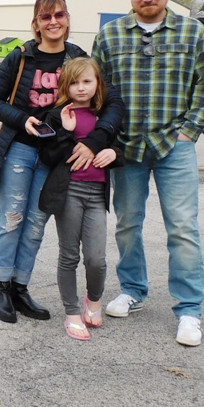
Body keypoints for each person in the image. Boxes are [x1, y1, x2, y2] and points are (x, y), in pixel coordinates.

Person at [93, 0, 204, 347]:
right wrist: (105, 138)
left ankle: (189, 309)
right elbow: (97, 91)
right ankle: (133, 290)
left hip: (174, 146)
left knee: (182, 228)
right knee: (128, 224)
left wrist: (189, 131)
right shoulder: (110, 35)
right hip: (126, 147)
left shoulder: (192, 33)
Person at [0, 0, 123, 324]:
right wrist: (22, 119)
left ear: (67, 19)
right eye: (45, 17)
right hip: (20, 148)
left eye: (59, 15)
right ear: (36, 23)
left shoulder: (79, 58)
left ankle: (20, 288)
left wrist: (98, 141)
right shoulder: (20, 57)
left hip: (57, 155)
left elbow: (112, 101)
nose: (53, 22)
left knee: (36, 224)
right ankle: (2, 289)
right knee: (12, 219)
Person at [37, 58, 123, 341]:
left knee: (96, 259)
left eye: (87, 81)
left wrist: (114, 153)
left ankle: (93, 300)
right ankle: (72, 312)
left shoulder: (104, 117)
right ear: (65, 86)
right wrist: (66, 130)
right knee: (69, 255)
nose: (81, 88)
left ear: (98, 84)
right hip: (69, 192)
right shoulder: (57, 115)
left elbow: (118, 147)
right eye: (74, 82)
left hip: (97, 194)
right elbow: (49, 156)